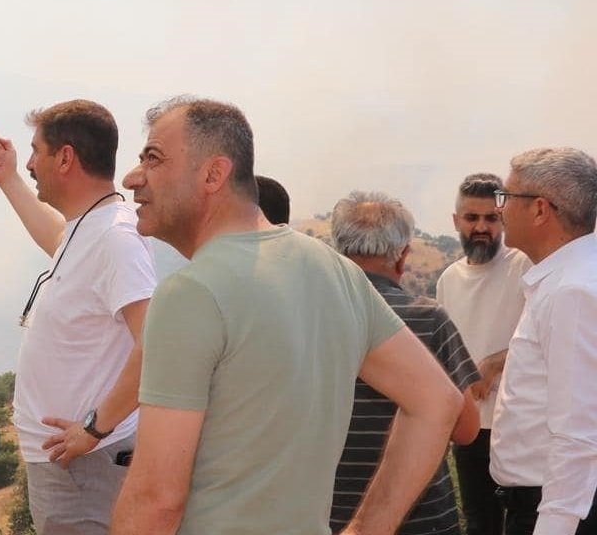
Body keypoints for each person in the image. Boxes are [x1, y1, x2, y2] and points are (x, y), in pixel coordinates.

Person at [109, 95, 463, 535]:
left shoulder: (190, 294)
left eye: (153, 158)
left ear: (213, 174)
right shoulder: (334, 270)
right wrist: (368, 529)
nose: (133, 176)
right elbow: (437, 401)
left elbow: (155, 500)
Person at [0, 99, 176, 534]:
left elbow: (158, 343)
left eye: (35, 152)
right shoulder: (91, 226)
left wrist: (94, 429)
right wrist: (9, 180)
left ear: (65, 157)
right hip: (73, 467)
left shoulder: (115, 237)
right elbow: (58, 239)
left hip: (85, 468)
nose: (29, 163)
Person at [329, 190, 483, 535]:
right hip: (422, 518)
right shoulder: (427, 318)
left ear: (336, 252)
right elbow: (465, 429)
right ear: (402, 256)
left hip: (329, 517)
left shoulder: (309, 315)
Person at [491, 147, 597, 535]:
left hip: (558, 510)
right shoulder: (570, 279)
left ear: (540, 210)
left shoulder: (572, 290)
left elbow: (578, 430)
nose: (500, 210)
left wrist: (554, 526)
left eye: (506, 197)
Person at [436, 172, 533, 535]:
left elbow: (545, 339)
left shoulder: (525, 267)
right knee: (479, 522)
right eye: (472, 218)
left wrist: (494, 364)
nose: (481, 227)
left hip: (519, 427)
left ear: (503, 218)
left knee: (524, 521)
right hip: (469, 428)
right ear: (456, 221)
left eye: (491, 218)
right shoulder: (448, 279)